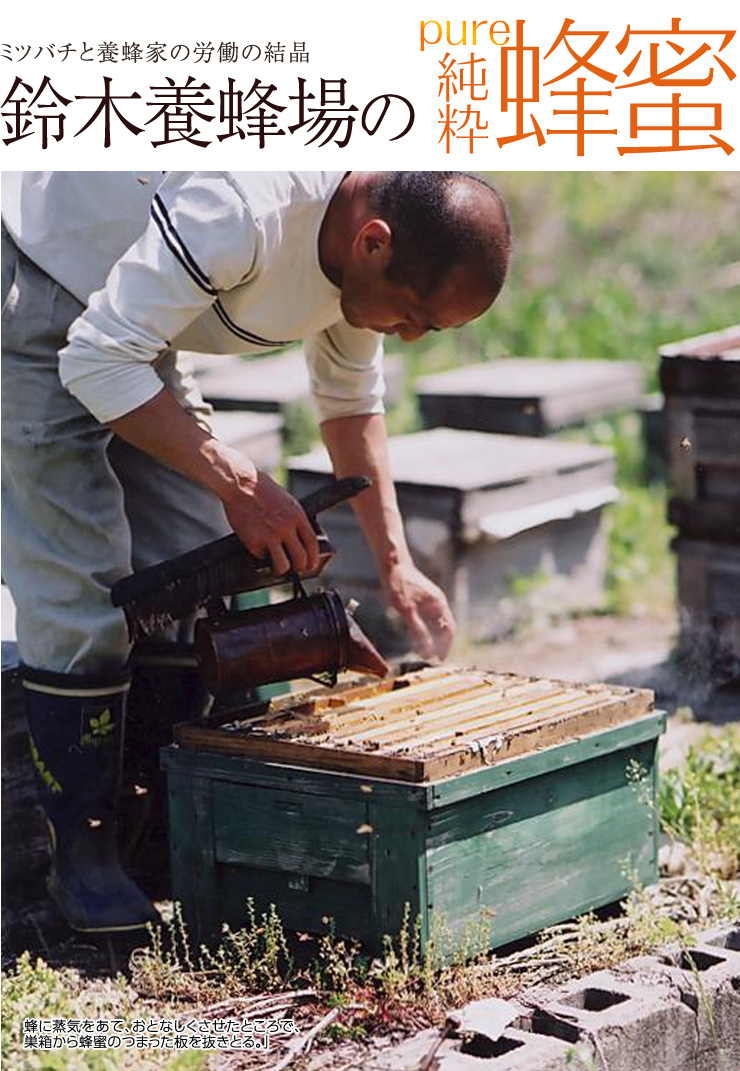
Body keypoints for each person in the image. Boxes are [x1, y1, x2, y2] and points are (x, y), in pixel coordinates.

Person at [1, 170, 512, 934]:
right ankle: (84, 854)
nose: (407, 336)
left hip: (134, 325)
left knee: (193, 564)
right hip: (37, 294)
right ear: (373, 243)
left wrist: (397, 564)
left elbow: (349, 404)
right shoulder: (243, 209)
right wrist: (239, 480)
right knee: (83, 591)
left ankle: (162, 834)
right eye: (412, 317)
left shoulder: (366, 239)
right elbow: (94, 361)